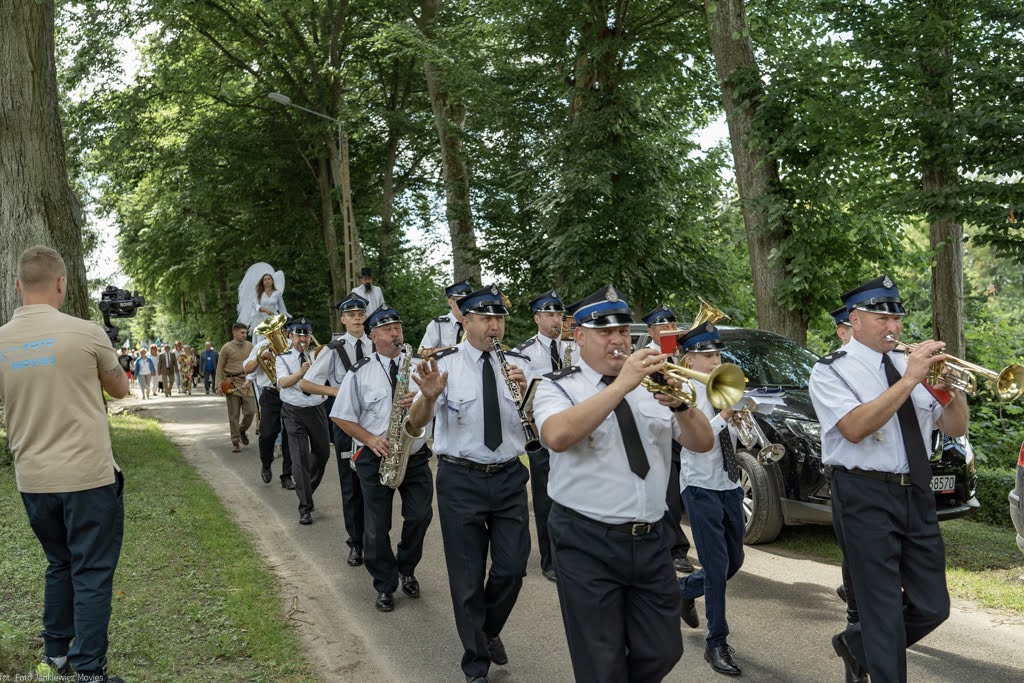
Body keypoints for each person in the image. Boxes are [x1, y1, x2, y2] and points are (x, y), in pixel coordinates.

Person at [531, 285, 714, 683]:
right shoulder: (557, 385)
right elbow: (557, 436)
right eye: (605, 332)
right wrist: (621, 386)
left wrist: (682, 405)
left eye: (623, 331)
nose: (617, 340)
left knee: (664, 648)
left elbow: (702, 443)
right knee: (601, 663)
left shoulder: (655, 384)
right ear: (580, 336)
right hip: (586, 540)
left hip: (651, 540)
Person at [808, 275, 969, 683]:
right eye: (881, 318)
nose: (892, 327)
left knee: (933, 606)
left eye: (896, 318)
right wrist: (911, 379)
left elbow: (955, 428)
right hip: (863, 493)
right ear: (855, 319)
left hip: (915, 491)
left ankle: (857, 645)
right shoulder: (832, 371)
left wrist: (951, 392)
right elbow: (854, 428)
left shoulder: (908, 365)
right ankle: (874, 648)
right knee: (881, 611)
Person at [0, 245, 130, 683]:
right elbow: (120, 389)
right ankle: (90, 669)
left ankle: (56, 655)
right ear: (61, 283)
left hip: (33, 479)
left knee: (59, 562)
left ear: (17, 286)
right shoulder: (87, 333)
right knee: (91, 570)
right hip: (88, 477)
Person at [408, 284, 533, 683]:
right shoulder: (442, 364)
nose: (494, 327)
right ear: (465, 321)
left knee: (512, 568)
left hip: (509, 476)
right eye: (485, 319)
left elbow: (538, 423)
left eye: (499, 319)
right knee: (466, 578)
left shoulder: (519, 363)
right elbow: (414, 424)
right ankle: (476, 664)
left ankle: (488, 629)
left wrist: (527, 394)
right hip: (460, 479)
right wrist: (428, 398)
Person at [332, 304, 434, 612]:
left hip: (413, 454)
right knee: (376, 526)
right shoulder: (359, 371)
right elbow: (341, 415)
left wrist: (421, 401)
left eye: (398, 328)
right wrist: (369, 439)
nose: (395, 334)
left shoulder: (420, 368)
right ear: (373, 336)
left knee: (420, 516)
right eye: (387, 330)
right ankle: (385, 584)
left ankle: (407, 567)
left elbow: (438, 408)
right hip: (375, 454)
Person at [674, 322, 746, 677]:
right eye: (707, 355)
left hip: (729, 484)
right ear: (689, 359)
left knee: (735, 561)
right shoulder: (683, 392)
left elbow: (737, 438)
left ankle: (683, 590)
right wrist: (723, 416)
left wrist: (742, 418)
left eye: (717, 354)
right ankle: (716, 641)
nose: (715, 361)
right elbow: (691, 440)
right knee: (716, 568)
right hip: (700, 485)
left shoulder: (725, 386)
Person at [300, 295, 370, 564]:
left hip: (375, 424)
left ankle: (375, 539)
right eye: (351, 315)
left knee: (376, 486)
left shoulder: (377, 344)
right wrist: (336, 391)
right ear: (342, 319)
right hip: (346, 425)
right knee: (350, 486)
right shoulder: (332, 349)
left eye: (360, 314)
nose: (356, 318)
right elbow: (306, 384)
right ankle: (356, 543)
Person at [512, 289, 567, 582]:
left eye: (559, 314)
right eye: (550, 314)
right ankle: (550, 560)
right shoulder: (525, 353)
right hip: (541, 430)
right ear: (537, 318)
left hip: (571, 428)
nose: (556, 320)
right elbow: (521, 398)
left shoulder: (574, 348)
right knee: (546, 498)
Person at [642, 304, 695, 575]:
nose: (669, 330)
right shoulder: (645, 358)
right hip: (661, 429)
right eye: (663, 327)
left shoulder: (681, 356)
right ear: (651, 331)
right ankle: (675, 550)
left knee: (684, 493)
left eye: (672, 326)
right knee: (670, 497)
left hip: (685, 427)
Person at [276, 317, 331, 525]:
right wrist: (301, 372)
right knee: (299, 458)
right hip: (293, 411)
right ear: (290, 336)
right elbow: (283, 383)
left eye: (306, 335)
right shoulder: (282, 358)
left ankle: (308, 489)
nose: (303, 339)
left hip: (316, 409)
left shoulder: (320, 355)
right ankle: (305, 507)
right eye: (298, 335)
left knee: (323, 454)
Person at [829, 304, 859, 626]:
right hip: (848, 469)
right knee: (853, 550)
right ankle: (855, 617)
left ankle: (852, 591)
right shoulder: (834, 368)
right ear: (843, 331)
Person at [243, 326, 295, 490]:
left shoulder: (292, 345)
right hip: (270, 394)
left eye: (280, 329)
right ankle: (266, 463)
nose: (278, 333)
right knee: (267, 434)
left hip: (291, 393)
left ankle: (287, 475)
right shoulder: (261, 347)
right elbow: (247, 369)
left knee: (290, 435)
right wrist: (260, 358)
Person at [216, 323, 257, 452]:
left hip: (247, 382)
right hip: (231, 382)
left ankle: (242, 429)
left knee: (250, 411)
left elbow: (256, 363)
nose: (245, 335)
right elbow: (220, 368)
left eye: (246, 333)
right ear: (234, 333)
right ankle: (235, 441)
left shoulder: (250, 346)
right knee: (233, 414)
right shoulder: (226, 348)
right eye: (242, 333)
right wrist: (218, 385)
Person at [417, 278, 472, 357]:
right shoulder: (438, 324)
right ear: (450, 302)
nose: (466, 305)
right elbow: (422, 353)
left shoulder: (475, 323)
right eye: (462, 301)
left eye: (469, 302)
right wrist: (455, 348)